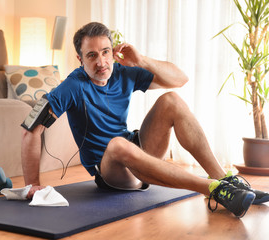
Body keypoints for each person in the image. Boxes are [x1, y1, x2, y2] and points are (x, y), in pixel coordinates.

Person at [21, 22, 269, 218]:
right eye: (92, 55)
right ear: (80, 59)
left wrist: (141, 61)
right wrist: (33, 184)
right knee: (117, 144)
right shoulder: (72, 86)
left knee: (171, 100)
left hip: (138, 151)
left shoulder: (122, 73)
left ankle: (225, 181)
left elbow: (180, 79)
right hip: (111, 172)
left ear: (113, 50)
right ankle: (215, 190)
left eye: (106, 52)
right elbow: (31, 130)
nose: (101, 62)